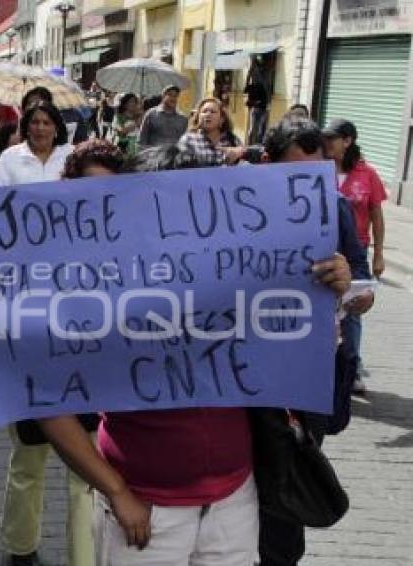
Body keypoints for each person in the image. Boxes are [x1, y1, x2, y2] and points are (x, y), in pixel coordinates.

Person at [35, 143, 352, 566]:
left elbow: (303, 354)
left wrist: (330, 290)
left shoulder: (240, 280)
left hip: (235, 503)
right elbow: (48, 404)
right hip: (143, 509)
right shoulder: (97, 292)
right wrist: (116, 491)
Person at [258, 116, 372, 566]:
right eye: (294, 173)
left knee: (285, 508)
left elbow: (364, 290)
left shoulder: (336, 209)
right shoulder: (231, 208)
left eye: (316, 173)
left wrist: (350, 286)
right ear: (267, 164)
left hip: (303, 388)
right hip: (243, 384)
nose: (306, 186)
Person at [0, 102, 89, 566]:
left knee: (84, 468)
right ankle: (20, 546)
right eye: (35, 123)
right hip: (30, 339)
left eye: (49, 122)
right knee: (29, 458)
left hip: (83, 348)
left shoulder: (72, 162)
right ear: (26, 128)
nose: (42, 128)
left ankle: (84, 555)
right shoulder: (10, 162)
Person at [323, 118, 385, 396]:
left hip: (356, 250)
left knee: (352, 313)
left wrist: (379, 254)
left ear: (347, 141)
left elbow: (376, 215)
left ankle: (352, 364)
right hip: (326, 252)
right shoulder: (319, 168)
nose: (327, 143)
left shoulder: (366, 174)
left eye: (332, 138)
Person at [0, 102, 74, 188]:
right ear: (27, 128)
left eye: (46, 123)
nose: (40, 128)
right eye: (35, 122)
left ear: (56, 128)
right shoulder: (10, 156)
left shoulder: (70, 154)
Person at [177, 97, 244, 166]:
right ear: (198, 117)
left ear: (222, 119)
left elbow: (243, 165)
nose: (208, 114)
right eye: (204, 111)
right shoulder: (188, 140)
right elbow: (182, 169)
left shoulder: (232, 139)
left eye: (213, 112)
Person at [244, 64, 269, 145]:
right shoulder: (258, 86)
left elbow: (245, 89)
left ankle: (252, 144)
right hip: (259, 109)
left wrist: (249, 74)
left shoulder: (255, 86)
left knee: (256, 129)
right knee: (257, 129)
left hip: (259, 109)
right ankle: (254, 144)